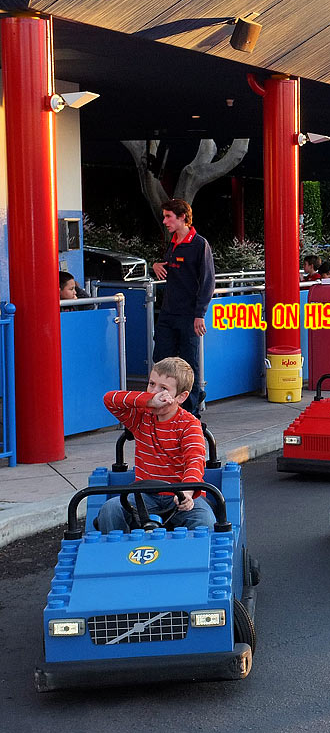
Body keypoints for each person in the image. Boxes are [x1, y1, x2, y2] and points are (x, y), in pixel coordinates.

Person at [95, 357, 216, 533]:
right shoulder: (140, 418)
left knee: (204, 521)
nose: (155, 392)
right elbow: (110, 399)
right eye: (152, 384)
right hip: (144, 495)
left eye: (164, 389)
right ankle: (118, 556)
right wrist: (149, 401)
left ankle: (192, 560)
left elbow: (195, 460)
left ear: (181, 396)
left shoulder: (189, 424)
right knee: (110, 509)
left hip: (180, 496)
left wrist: (188, 492)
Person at [151, 198, 215, 417]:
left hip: (188, 314)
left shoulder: (199, 244)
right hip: (168, 311)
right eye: (165, 216)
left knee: (189, 364)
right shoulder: (173, 241)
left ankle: (191, 411)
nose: (165, 220)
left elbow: (207, 281)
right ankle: (165, 405)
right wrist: (155, 265)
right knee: (161, 358)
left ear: (182, 218)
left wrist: (200, 314)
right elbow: (170, 266)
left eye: (169, 216)